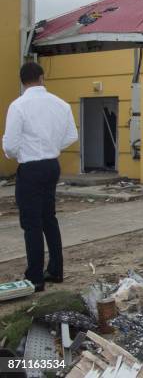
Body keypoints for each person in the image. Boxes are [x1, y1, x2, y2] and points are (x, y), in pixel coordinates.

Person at [2, 62, 78, 292]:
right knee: (49, 219)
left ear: (22, 81)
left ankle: (35, 277)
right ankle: (56, 269)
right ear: (42, 78)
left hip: (31, 167)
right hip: (51, 165)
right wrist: (52, 145)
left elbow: (12, 145)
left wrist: (16, 152)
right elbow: (71, 136)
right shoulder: (61, 104)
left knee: (31, 223)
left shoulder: (18, 106)